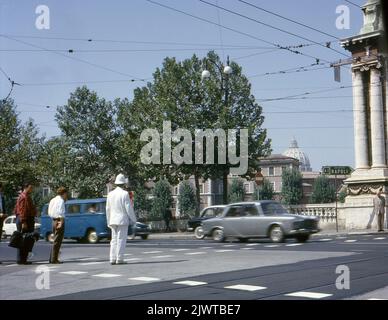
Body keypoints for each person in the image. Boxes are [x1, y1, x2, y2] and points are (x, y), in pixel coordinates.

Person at [106, 174, 137, 265]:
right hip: (122, 220)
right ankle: (119, 258)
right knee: (121, 240)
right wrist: (134, 219)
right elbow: (128, 208)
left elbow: (108, 209)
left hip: (113, 220)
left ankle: (112, 258)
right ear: (123, 184)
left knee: (113, 240)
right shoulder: (124, 194)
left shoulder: (110, 194)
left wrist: (108, 221)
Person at [14, 183, 37, 265]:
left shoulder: (26, 196)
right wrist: (23, 222)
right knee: (23, 240)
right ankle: (21, 260)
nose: (32, 189)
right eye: (30, 188)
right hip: (25, 220)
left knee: (26, 240)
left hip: (27, 220)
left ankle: (23, 259)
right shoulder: (23, 197)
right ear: (25, 188)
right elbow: (22, 210)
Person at [48, 187, 68, 264]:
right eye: (66, 194)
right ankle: (54, 259)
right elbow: (61, 212)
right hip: (59, 220)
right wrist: (61, 222)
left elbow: (49, 211)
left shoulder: (53, 200)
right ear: (64, 193)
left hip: (53, 220)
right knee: (58, 241)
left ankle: (52, 258)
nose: (66, 195)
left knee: (55, 240)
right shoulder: (61, 201)